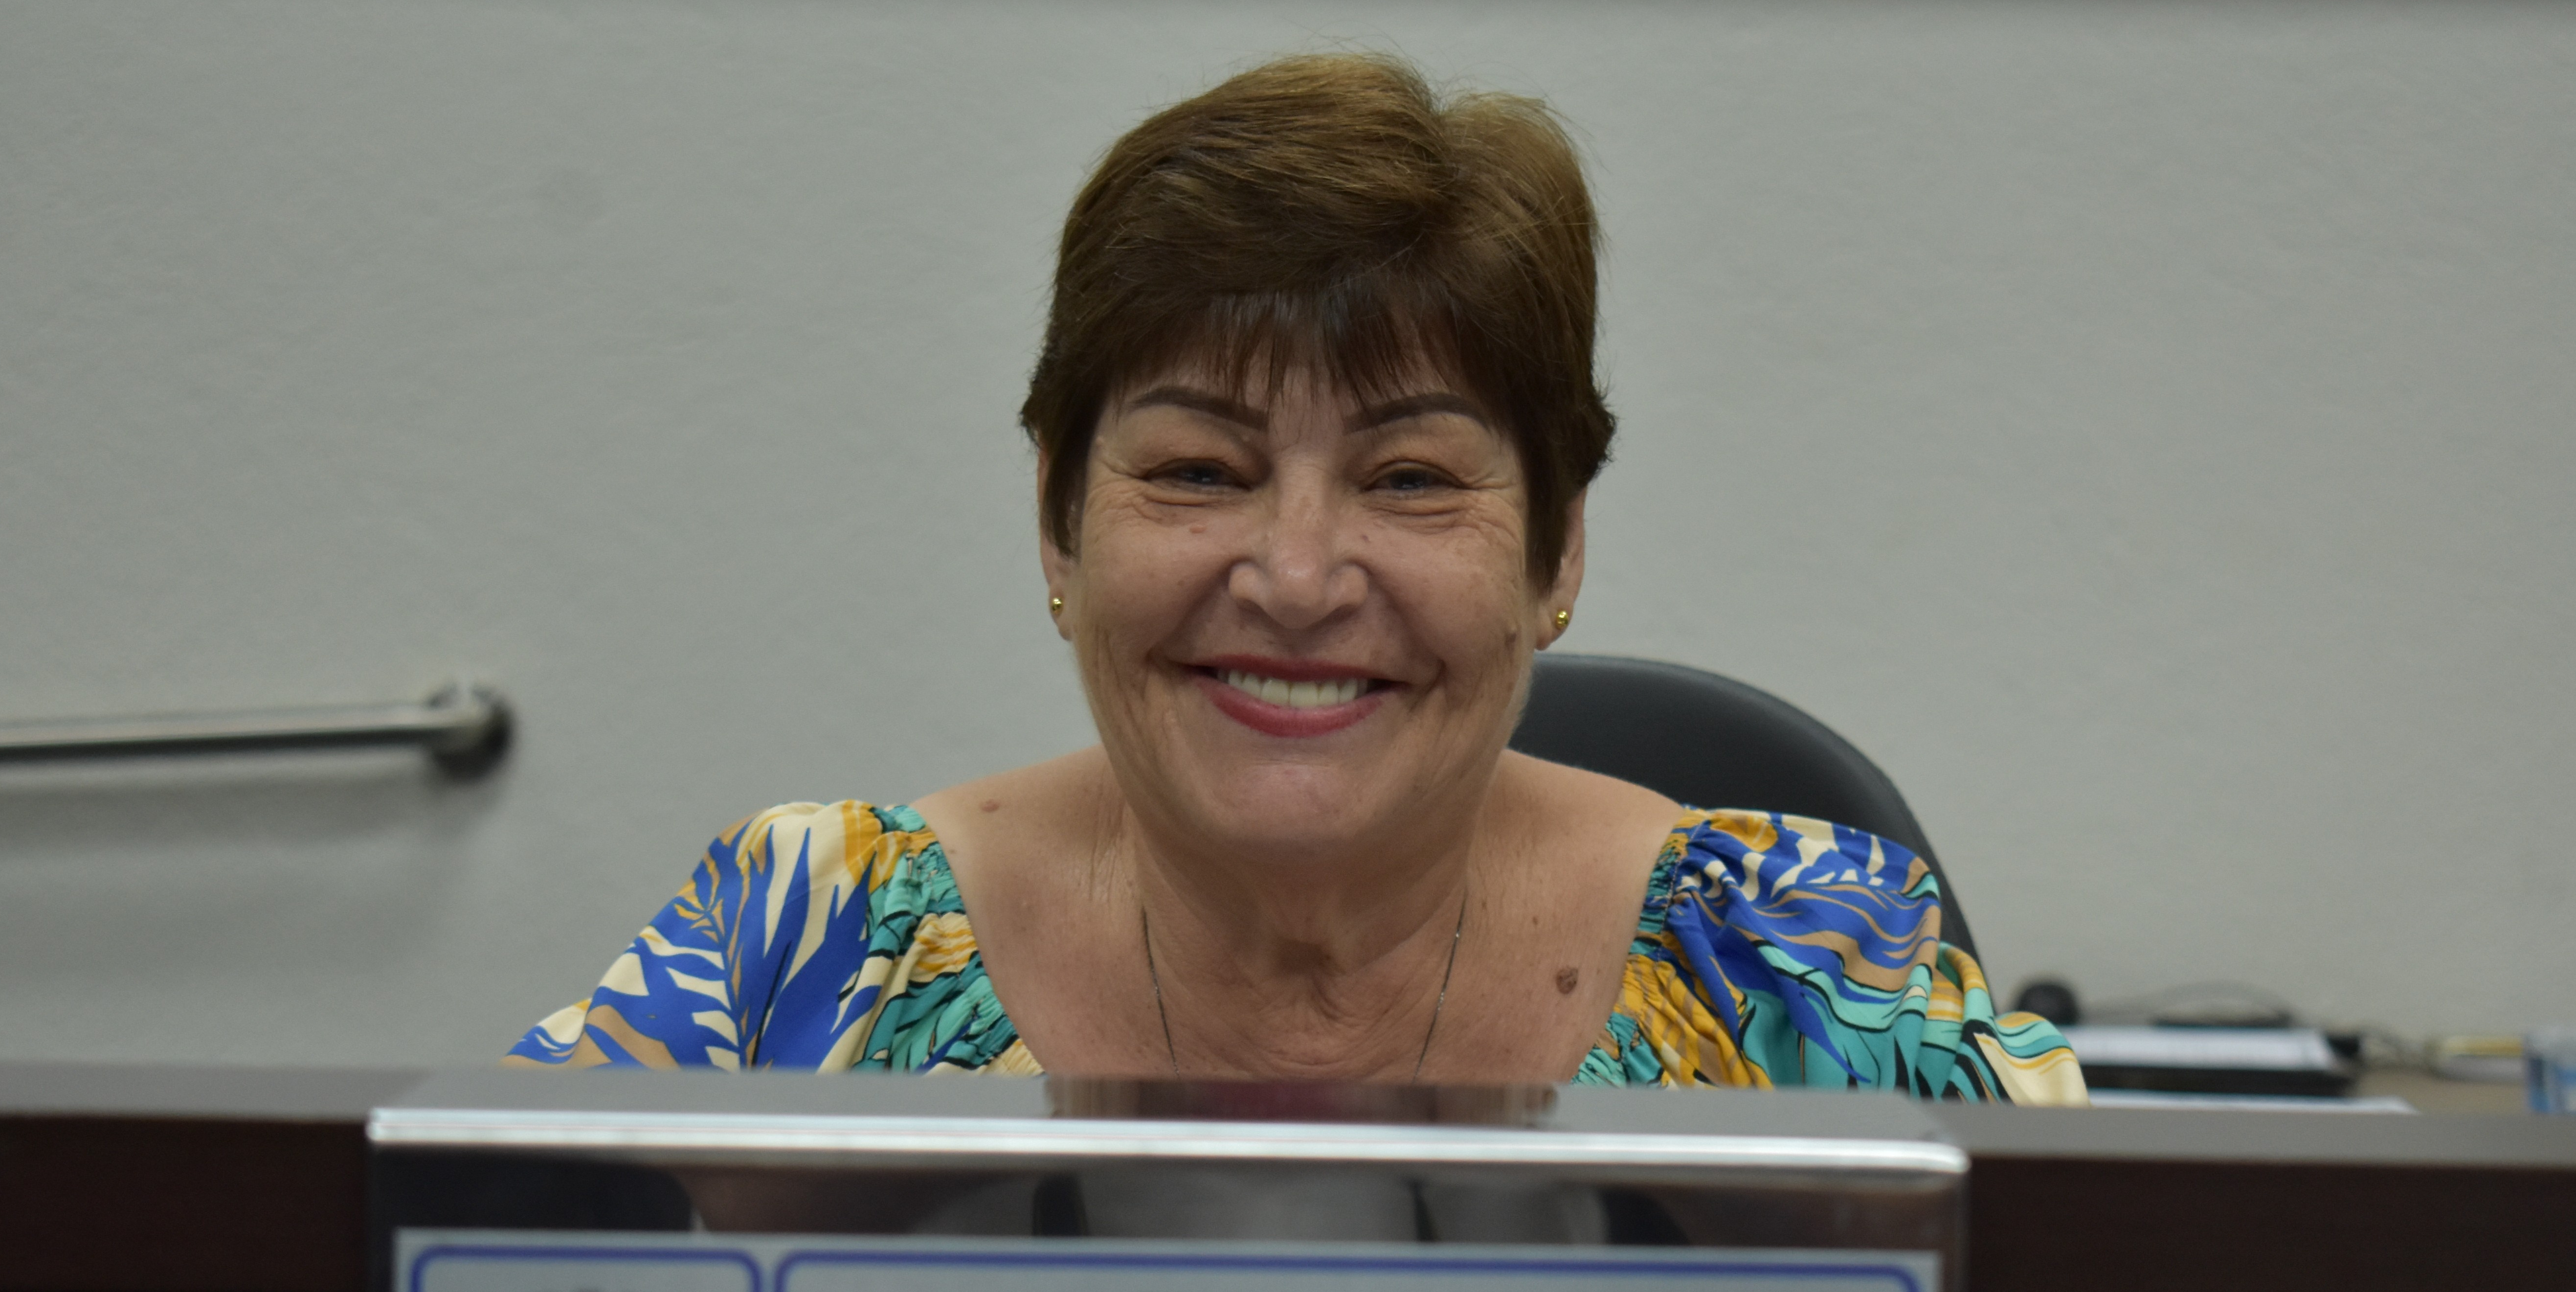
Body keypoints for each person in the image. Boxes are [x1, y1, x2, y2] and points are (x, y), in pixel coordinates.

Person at [510, 54, 2082, 1106]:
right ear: (1060, 525)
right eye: (1202, 471)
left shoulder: (1801, 962)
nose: (1301, 574)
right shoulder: (801, 950)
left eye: (1411, 480)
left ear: (1557, 552)